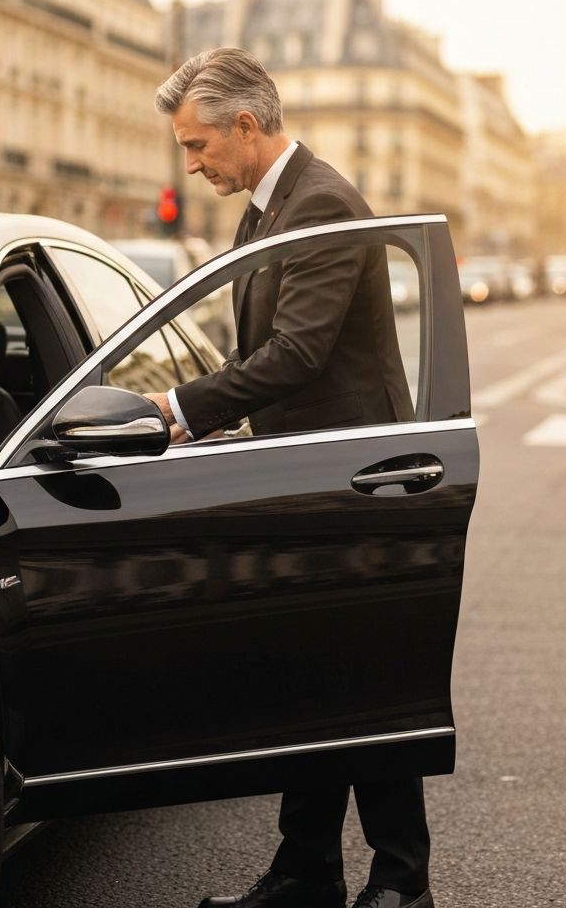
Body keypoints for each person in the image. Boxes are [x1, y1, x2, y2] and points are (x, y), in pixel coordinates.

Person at [144, 48, 434, 908]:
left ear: (245, 125)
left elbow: (298, 353)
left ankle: (401, 882)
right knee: (314, 678)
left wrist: (181, 406)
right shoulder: (271, 207)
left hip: (357, 483)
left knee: (365, 683)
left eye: (198, 146)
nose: (192, 166)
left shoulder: (321, 204)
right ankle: (307, 872)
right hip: (310, 473)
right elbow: (263, 352)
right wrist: (216, 416)